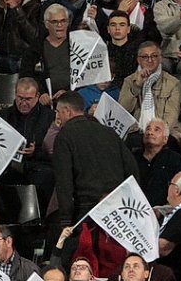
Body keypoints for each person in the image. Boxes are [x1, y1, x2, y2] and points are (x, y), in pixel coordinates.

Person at [52, 92, 138, 229]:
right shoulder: (109, 132)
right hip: (117, 208)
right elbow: (132, 169)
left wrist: (65, 220)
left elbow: (64, 181)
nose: (58, 117)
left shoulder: (64, 136)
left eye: (58, 112)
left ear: (67, 111)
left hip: (85, 213)